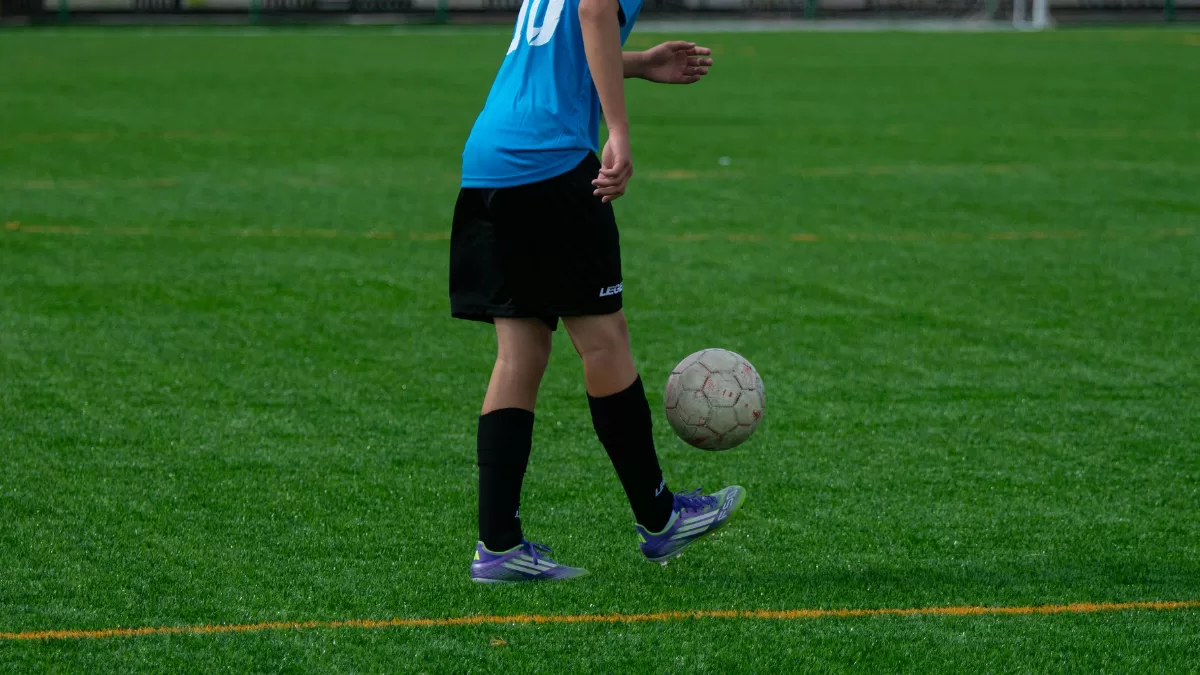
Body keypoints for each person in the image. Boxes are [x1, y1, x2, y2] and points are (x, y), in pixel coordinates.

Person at [451, 0, 745, 583]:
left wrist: (638, 62)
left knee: (522, 353)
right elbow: (592, 10)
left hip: (489, 160)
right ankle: (660, 517)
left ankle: (500, 545)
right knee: (605, 340)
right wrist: (619, 128)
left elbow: (557, 47)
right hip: (549, 162)